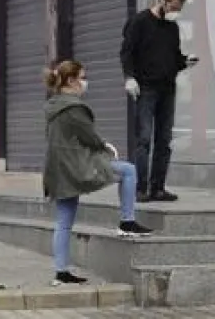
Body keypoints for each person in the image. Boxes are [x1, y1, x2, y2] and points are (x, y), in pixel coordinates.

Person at [44, 60, 154, 286]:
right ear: (71, 81)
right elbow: (90, 138)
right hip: (76, 165)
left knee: (64, 221)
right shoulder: (73, 108)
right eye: (82, 77)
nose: (85, 82)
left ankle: (61, 272)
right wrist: (105, 146)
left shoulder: (54, 105)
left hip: (58, 168)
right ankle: (127, 222)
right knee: (128, 170)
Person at [119, 0, 196, 203]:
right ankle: (140, 188)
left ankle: (158, 187)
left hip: (167, 88)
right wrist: (129, 77)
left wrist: (185, 62)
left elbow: (173, 58)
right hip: (145, 88)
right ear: (163, 1)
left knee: (164, 140)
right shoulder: (139, 22)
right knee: (144, 139)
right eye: (173, 7)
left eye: (178, 9)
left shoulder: (172, 29)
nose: (175, 12)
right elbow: (127, 52)